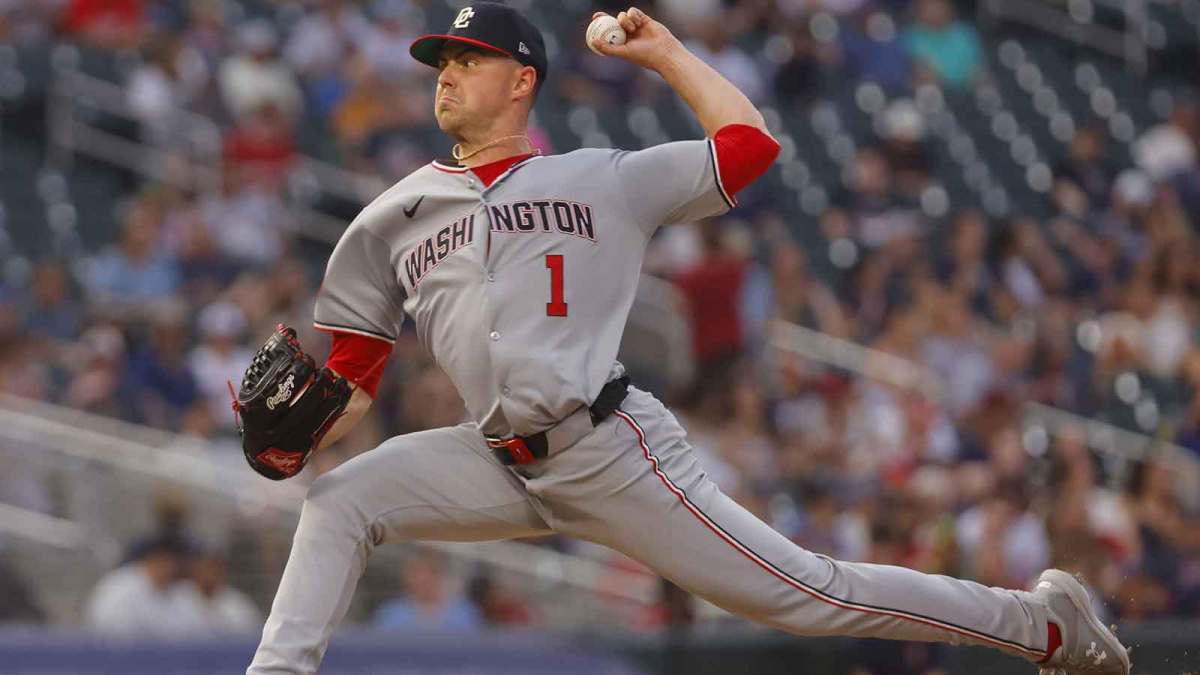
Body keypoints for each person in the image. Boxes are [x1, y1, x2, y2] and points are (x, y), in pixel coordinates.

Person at [241, 5, 1130, 674]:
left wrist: (663, 52)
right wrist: (297, 446)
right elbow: (355, 375)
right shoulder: (387, 219)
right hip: (494, 457)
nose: (445, 73)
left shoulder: (602, 180)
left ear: (522, 80)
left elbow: (749, 146)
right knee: (337, 502)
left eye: (468, 60)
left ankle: (1041, 624)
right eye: (441, 60)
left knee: (810, 594)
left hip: (609, 449)